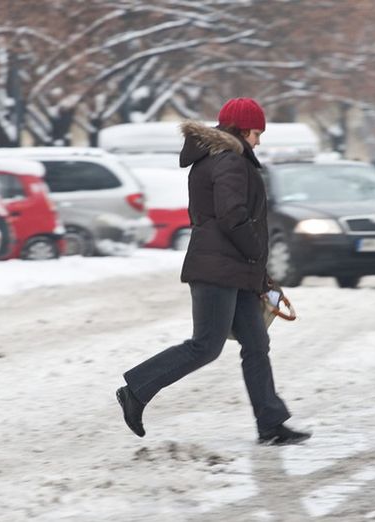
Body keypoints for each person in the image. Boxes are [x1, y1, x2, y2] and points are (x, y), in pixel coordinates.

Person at [116, 98, 311, 446]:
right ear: (240, 130)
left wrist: (257, 270)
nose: (258, 141)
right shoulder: (229, 162)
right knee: (205, 345)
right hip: (218, 269)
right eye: (256, 133)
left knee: (256, 344)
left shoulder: (218, 159)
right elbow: (231, 214)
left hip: (233, 269)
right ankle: (136, 389)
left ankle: (271, 422)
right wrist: (255, 252)